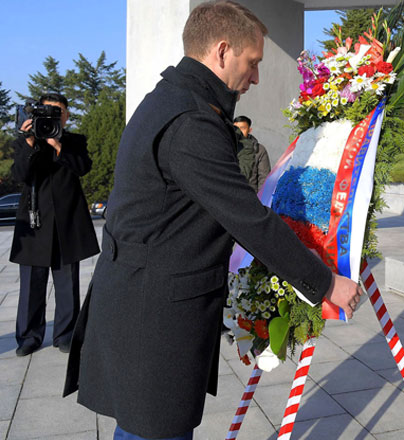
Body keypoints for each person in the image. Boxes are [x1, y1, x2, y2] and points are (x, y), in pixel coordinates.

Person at [63, 2, 362, 439]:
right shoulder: (192, 123)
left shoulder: (172, 100)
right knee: (153, 431)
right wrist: (325, 283)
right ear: (223, 50)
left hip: (142, 304)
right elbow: (248, 220)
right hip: (155, 323)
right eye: (252, 62)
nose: (256, 77)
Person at [10, 92, 99, 357]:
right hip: (34, 221)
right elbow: (19, 176)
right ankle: (29, 336)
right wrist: (29, 142)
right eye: (47, 112)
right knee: (31, 287)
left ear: (66, 115)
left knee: (67, 285)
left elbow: (83, 167)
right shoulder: (27, 141)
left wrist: (59, 145)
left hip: (66, 222)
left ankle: (66, 334)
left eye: (58, 112)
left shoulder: (73, 141)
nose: (53, 117)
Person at [233, 115, 271, 192]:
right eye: (236, 128)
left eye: (243, 128)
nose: (239, 131)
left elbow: (264, 178)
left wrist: (260, 201)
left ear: (249, 130)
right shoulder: (226, 146)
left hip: (249, 195)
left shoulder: (259, 150)